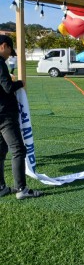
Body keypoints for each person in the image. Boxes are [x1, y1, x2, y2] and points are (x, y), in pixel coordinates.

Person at [0, 35, 43, 199]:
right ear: (4, 46)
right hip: (5, 114)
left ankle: (1, 187)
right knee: (18, 149)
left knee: (1, 151)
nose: (9, 56)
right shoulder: (0, 63)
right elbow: (7, 87)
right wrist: (20, 83)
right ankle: (22, 189)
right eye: (10, 51)